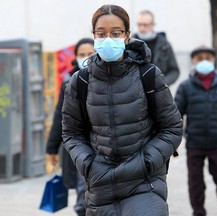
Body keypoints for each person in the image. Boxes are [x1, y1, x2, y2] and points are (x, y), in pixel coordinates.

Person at [61, 4, 183, 216]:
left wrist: (146, 162)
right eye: (101, 33)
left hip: (144, 184)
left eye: (116, 33)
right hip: (101, 186)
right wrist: (89, 165)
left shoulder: (149, 75)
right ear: (94, 37)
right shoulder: (80, 81)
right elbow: (71, 132)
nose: (108, 39)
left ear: (127, 36)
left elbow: (172, 128)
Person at [175, 46, 217, 216]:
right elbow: (176, 113)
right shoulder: (185, 87)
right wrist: (182, 132)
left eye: (208, 58)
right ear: (193, 62)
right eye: (199, 58)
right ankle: (198, 211)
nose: (204, 61)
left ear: (214, 61)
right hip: (195, 143)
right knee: (195, 182)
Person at [46, 38, 94, 216]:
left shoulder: (108, 79)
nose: (86, 58)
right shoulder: (69, 82)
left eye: (90, 54)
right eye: (82, 55)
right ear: (75, 58)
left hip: (104, 145)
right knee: (84, 192)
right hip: (80, 147)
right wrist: (52, 148)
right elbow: (60, 115)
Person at [132, 10, 180, 86]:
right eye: (139, 25)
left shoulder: (164, 45)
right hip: (136, 91)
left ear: (153, 24)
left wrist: (162, 84)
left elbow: (174, 71)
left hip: (159, 92)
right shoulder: (130, 44)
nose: (141, 28)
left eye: (145, 25)